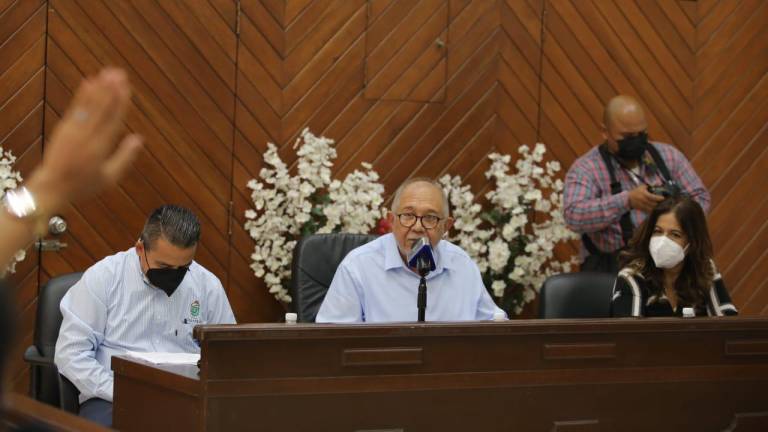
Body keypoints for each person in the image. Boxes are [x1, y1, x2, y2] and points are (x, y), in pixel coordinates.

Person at [54, 205, 236, 427]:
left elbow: (227, 356)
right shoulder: (104, 277)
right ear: (140, 248)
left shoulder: (207, 285)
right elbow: (71, 353)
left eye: (183, 268)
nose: (174, 275)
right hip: (112, 397)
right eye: (164, 266)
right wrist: (119, 391)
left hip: (186, 400)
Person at [316, 178, 505, 323]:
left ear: (446, 226)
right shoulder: (358, 266)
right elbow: (332, 342)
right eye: (408, 215)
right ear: (391, 221)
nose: (417, 227)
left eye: (430, 218)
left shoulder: (462, 265)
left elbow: (495, 329)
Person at [563, 95, 710, 273]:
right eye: (627, 136)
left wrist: (675, 212)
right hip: (611, 269)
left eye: (641, 134)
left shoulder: (669, 157)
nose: (636, 141)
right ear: (605, 132)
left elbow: (700, 198)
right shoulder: (586, 168)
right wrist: (626, 201)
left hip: (669, 265)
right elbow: (573, 217)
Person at [611, 196, 737, 317]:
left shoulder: (704, 268)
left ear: (692, 242)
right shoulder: (632, 276)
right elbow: (630, 335)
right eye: (658, 231)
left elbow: (727, 326)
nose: (662, 242)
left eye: (675, 235)